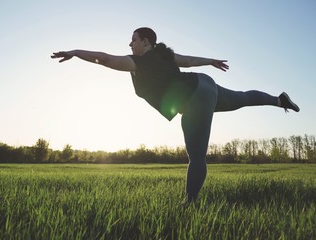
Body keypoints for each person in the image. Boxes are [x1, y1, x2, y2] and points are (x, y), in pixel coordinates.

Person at [51, 27, 300, 203]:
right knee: (241, 98)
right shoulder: (164, 55)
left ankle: (189, 204)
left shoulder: (140, 61)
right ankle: (279, 100)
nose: (130, 44)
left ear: (146, 41)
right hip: (205, 86)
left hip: (194, 97)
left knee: (196, 155)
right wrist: (211, 61)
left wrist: (75, 52)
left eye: (134, 39)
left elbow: (103, 59)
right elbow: (189, 60)